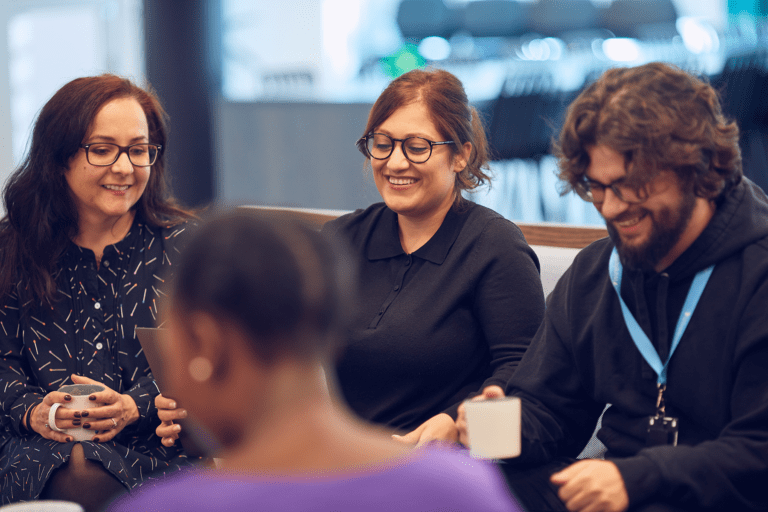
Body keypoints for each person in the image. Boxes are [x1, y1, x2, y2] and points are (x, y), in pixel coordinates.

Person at [457, 62, 768, 512]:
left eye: (630, 186)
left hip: (718, 495)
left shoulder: (756, 272)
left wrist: (636, 478)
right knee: (469, 484)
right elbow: (550, 412)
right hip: (619, 486)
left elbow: (758, 450)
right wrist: (490, 429)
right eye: (597, 187)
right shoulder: (596, 273)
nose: (613, 208)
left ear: (696, 169)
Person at [109, 209, 522, 512]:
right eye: (381, 143)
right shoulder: (461, 491)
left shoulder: (164, 506)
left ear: (205, 342)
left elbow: (518, 370)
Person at [0, 74, 196, 511]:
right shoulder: (11, 249)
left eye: (139, 150)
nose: (125, 168)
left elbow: (205, 358)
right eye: (103, 150)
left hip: (158, 445)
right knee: (74, 463)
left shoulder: (188, 247)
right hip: (33, 444)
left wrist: (134, 405)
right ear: (60, 158)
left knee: (89, 473)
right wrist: (37, 412)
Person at [321, 68, 545, 447]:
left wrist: (460, 430)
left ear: (461, 155)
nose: (394, 163)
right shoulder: (341, 240)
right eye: (383, 143)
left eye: (417, 146)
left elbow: (529, 380)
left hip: (446, 467)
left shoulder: (494, 246)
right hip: (346, 459)